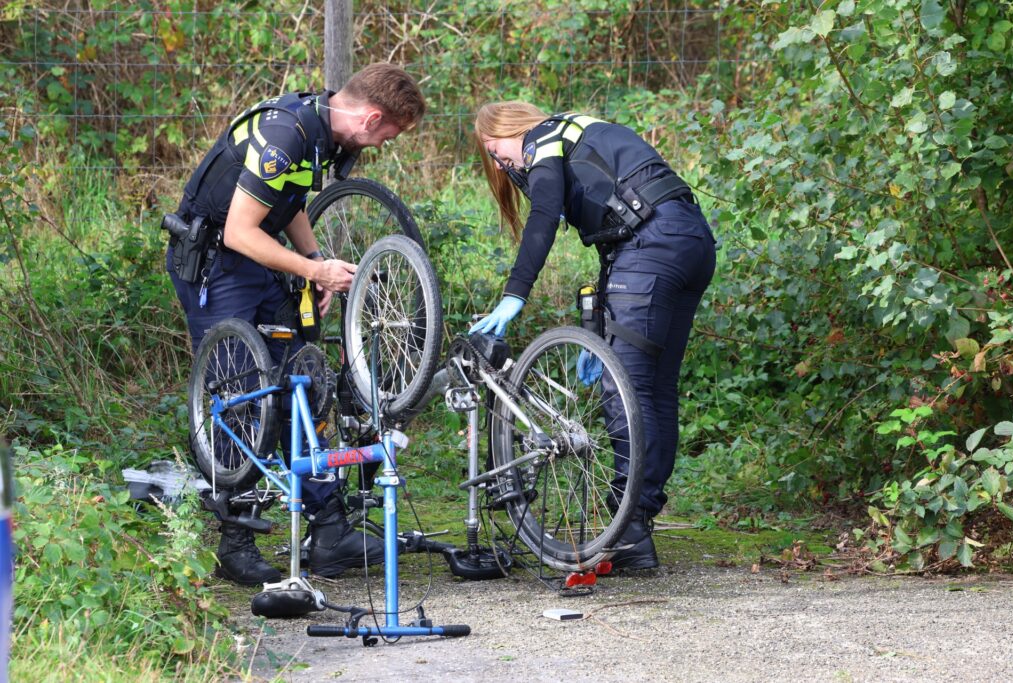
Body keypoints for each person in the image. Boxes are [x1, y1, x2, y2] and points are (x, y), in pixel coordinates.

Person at [166, 63, 426, 585]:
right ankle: (234, 542)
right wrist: (313, 270)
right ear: (370, 116)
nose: (380, 146)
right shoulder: (289, 131)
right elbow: (241, 230)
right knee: (238, 393)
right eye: (386, 136)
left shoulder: (323, 129)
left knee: (301, 382)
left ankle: (328, 531)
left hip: (259, 261)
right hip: (217, 260)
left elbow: (287, 202)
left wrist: (315, 261)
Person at [471, 102, 716, 570]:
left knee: (623, 387)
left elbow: (543, 215)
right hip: (690, 242)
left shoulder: (541, 140)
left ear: (510, 131)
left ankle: (629, 531)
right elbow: (619, 234)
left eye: (495, 150)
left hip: (651, 245)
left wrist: (514, 294)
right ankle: (638, 517)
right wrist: (598, 328)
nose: (502, 163)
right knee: (655, 387)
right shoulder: (581, 131)